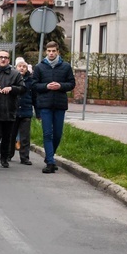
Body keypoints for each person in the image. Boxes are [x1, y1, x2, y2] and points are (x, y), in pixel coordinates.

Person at [32, 41, 75, 174]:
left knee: (57, 134)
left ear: (58, 52)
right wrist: (46, 86)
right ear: (46, 52)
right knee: (47, 133)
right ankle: (50, 162)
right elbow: (34, 85)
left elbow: (71, 83)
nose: (51, 53)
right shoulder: (39, 67)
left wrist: (60, 86)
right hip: (45, 105)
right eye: (49, 51)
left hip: (60, 104)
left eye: (53, 51)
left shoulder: (66, 67)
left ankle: (50, 156)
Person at [11, 57, 35, 165]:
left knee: (25, 136)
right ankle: (8, 154)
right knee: (11, 134)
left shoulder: (30, 81)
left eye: (24, 66)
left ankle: (24, 157)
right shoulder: (12, 78)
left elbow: (34, 96)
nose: (22, 68)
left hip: (26, 110)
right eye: (20, 66)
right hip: (13, 110)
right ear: (16, 67)